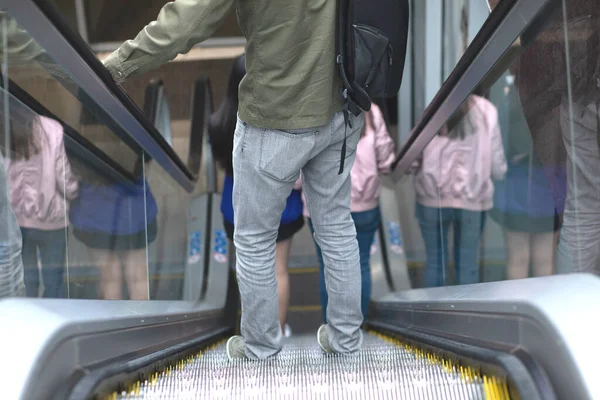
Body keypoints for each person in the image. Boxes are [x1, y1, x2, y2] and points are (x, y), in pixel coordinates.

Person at [103, 0, 364, 360]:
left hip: (275, 117)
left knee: (255, 240)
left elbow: (184, 25)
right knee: (335, 227)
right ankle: (345, 340)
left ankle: (260, 346)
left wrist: (116, 66)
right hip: (342, 109)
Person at [209, 54, 304, 337]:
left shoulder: (218, 122)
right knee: (278, 272)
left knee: (249, 271)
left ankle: (253, 335)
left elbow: (221, 162)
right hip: (281, 204)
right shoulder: (286, 121)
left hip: (237, 203)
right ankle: (278, 333)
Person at [302, 103, 395, 323]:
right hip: (364, 205)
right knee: (360, 264)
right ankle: (355, 328)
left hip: (322, 206)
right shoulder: (369, 110)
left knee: (327, 266)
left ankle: (331, 328)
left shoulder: (312, 106)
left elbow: (300, 160)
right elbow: (385, 158)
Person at [412, 94, 507, 287]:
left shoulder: (434, 108)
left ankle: (435, 314)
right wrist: (501, 172)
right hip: (472, 201)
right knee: (468, 265)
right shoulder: (487, 111)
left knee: (435, 263)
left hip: (432, 199)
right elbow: (497, 165)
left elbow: (413, 157)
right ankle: (465, 316)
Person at [3, 115, 78, 298]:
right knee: (54, 281)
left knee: (25, 279)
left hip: (16, 221)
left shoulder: (3, 128)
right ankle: (55, 321)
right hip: (52, 220)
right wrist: (75, 191)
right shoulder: (51, 128)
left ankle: (31, 321)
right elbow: (63, 177)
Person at [69, 158, 157, 301]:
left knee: (109, 277)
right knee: (138, 277)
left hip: (95, 213)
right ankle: (141, 320)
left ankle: (115, 320)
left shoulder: (90, 135)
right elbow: (147, 157)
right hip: (134, 211)